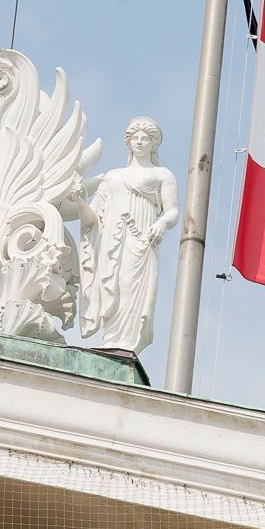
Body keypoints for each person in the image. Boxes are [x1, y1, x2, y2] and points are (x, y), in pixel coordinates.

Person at [77, 117, 178, 353]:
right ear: (129, 142)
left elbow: (173, 211)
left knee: (131, 287)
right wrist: (80, 201)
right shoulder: (112, 176)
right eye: (135, 138)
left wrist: (162, 223)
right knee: (111, 284)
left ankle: (127, 342)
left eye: (145, 138)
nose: (140, 142)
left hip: (141, 240)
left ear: (153, 145)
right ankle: (110, 340)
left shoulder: (162, 175)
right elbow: (91, 219)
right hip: (111, 239)